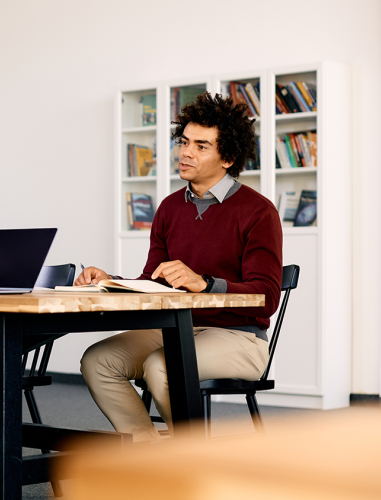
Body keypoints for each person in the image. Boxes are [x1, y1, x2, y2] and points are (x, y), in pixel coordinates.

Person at [79, 92, 283, 441]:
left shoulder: (258, 212)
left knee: (164, 366)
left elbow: (266, 296)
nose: (186, 152)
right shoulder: (170, 208)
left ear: (228, 157)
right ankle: (150, 451)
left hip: (240, 338)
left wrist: (205, 283)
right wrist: (109, 280)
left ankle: (195, 461)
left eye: (202, 146)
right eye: (185, 141)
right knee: (98, 360)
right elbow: (151, 280)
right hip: (175, 328)